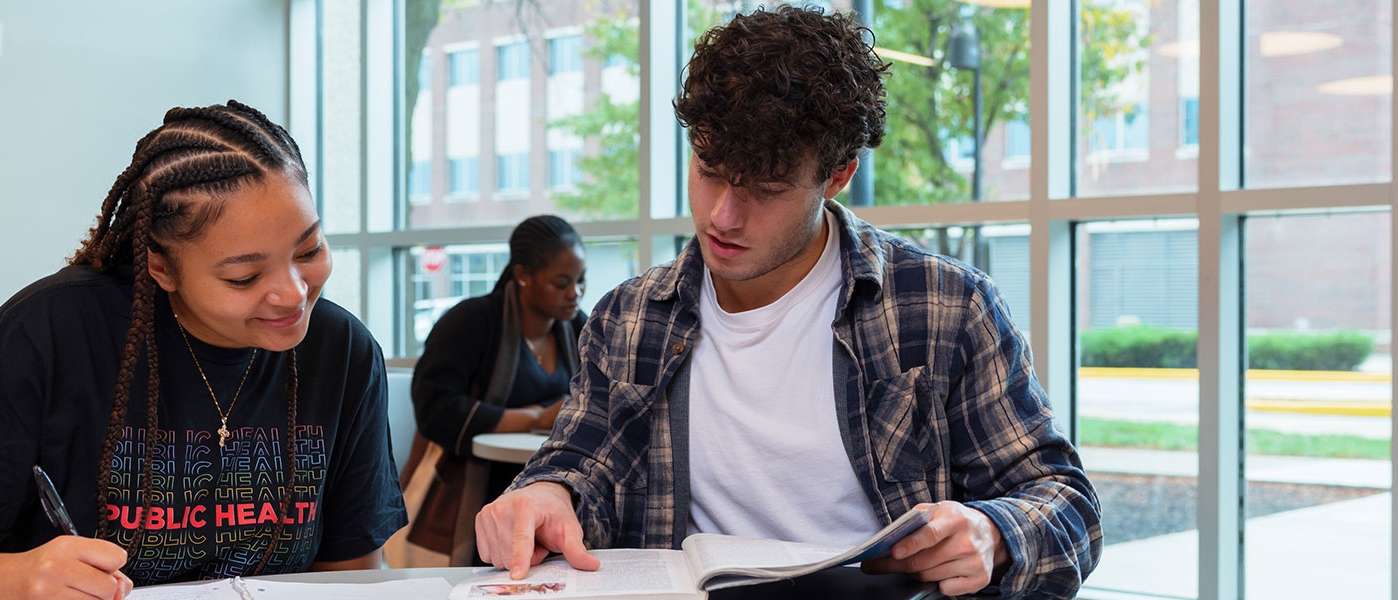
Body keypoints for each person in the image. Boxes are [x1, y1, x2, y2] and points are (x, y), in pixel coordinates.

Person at [472, 7, 1101, 600]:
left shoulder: (944, 307)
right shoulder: (631, 318)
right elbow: (579, 465)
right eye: (709, 169)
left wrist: (993, 534)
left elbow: (1065, 502)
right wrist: (547, 494)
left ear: (837, 176)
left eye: (767, 189)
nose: (722, 216)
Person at [0, 101, 406, 600]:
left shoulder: (342, 352)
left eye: (309, 249)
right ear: (161, 267)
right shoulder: (49, 333)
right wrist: (14, 576)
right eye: (244, 277)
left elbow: (350, 577)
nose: (293, 293)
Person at [399, 215, 587, 564]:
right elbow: (436, 409)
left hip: (551, 484)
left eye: (580, 281)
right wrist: (536, 418)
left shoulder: (578, 327)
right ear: (523, 275)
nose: (574, 293)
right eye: (561, 282)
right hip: (474, 487)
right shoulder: (471, 322)